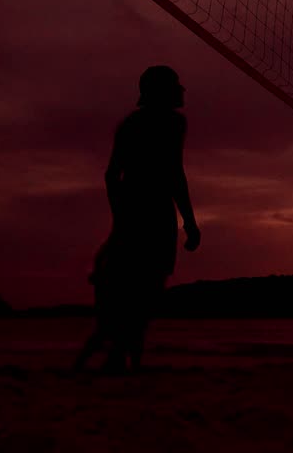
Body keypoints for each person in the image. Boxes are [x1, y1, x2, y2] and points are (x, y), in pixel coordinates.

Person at [75, 65, 200, 372]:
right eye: (176, 85)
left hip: (136, 210)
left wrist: (121, 215)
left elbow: (111, 175)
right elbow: (174, 174)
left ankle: (119, 353)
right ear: (164, 91)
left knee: (133, 286)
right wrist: (190, 222)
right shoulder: (172, 123)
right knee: (145, 288)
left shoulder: (130, 124)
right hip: (154, 212)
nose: (183, 90)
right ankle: (121, 354)